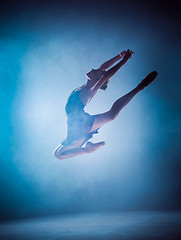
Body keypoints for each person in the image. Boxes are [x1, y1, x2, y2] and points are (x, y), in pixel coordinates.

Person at [53, 49, 158, 160]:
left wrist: (124, 60)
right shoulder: (85, 86)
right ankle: (87, 149)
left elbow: (106, 75)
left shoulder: (88, 92)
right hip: (77, 123)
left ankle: (140, 87)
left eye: (96, 72)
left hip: (78, 124)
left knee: (58, 155)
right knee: (57, 154)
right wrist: (119, 56)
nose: (93, 69)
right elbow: (103, 68)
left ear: (98, 79)